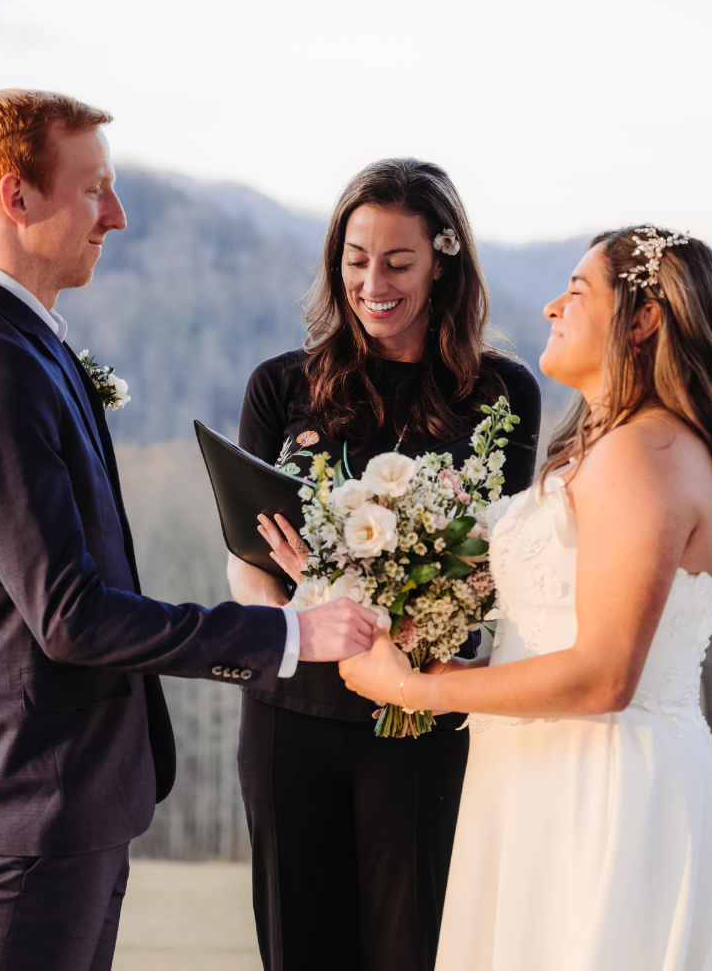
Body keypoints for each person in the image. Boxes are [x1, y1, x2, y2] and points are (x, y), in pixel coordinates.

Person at [0, 89, 380, 971]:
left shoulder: (24, 344)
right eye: (95, 188)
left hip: (71, 798)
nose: (119, 215)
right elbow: (71, 617)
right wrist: (289, 634)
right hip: (29, 803)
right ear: (14, 197)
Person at [340, 225, 712, 971]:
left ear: (644, 317)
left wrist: (414, 690)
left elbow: (605, 674)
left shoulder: (644, 453)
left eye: (579, 290)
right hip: (540, 774)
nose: (554, 305)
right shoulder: (615, 444)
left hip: (606, 789)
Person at [228, 157, 541, 971]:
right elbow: (246, 557)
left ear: (444, 260)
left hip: (419, 718)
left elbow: (487, 563)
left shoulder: (503, 394)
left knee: (414, 950)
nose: (374, 282)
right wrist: (287, 619)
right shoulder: (279, 385)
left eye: (398, 261)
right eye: (356, 258)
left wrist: (350, 593)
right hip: (289, 717)